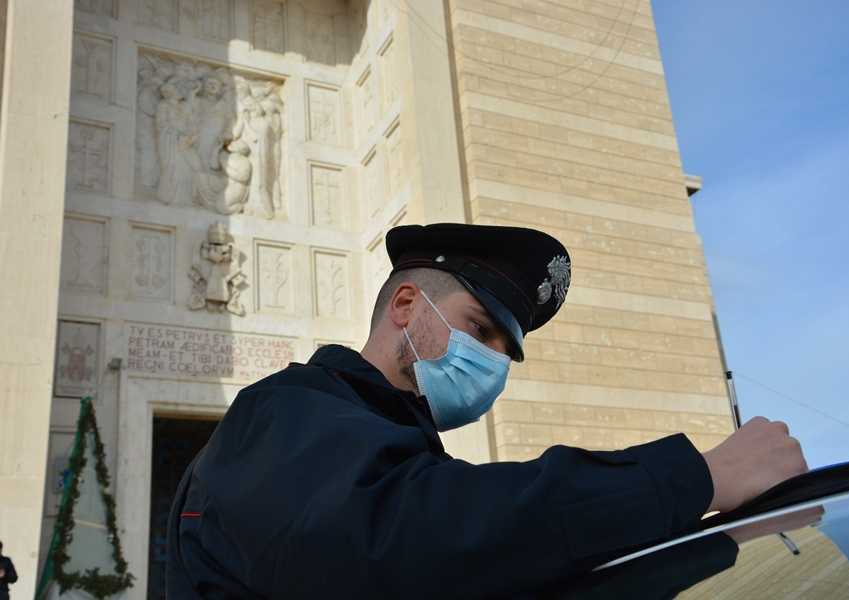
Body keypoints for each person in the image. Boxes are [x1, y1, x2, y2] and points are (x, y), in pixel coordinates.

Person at [166, 223, 808, 598]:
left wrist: (722, 543)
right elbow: (418, 537)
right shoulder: (282, 413)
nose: (493, 362)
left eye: (506, 351)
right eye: (480, 328)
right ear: (406, 305)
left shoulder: (400, 452)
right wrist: (696, 476)